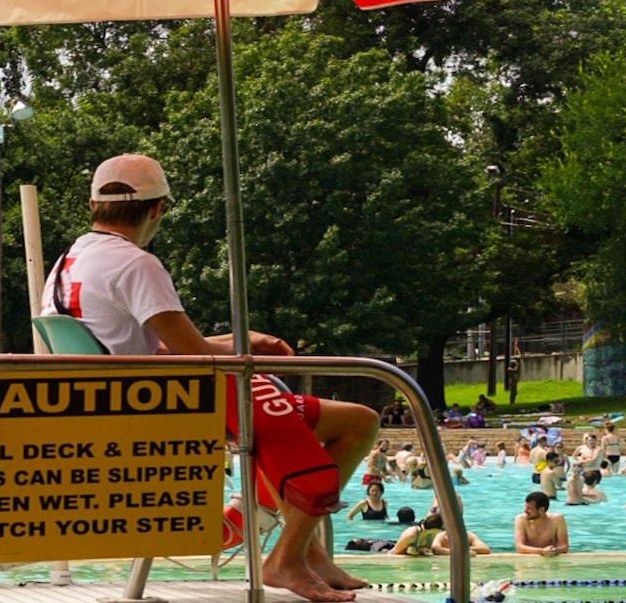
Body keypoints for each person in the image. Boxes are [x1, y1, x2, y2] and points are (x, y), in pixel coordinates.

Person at [40, 154, 377, 603]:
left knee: (280, 411)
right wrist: (242, 353)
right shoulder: (136, 264)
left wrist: (245, 339)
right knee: (358, 421)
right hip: (166, 407)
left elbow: (154, 344)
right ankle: (287, 558)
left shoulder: (68, 262)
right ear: (158, 208)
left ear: (92, 205)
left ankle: (304, 552)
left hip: (115, 400)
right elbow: (194, 355)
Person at [514, 491, 568, 556]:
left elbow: (564, 547)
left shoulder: (557, 520)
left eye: (529, 509)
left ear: (541, 510)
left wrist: (555, 550)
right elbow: (519, 547)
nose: (525, 511)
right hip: (529, 563)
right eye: (525, 507)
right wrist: (542, 551)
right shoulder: (521, 519)